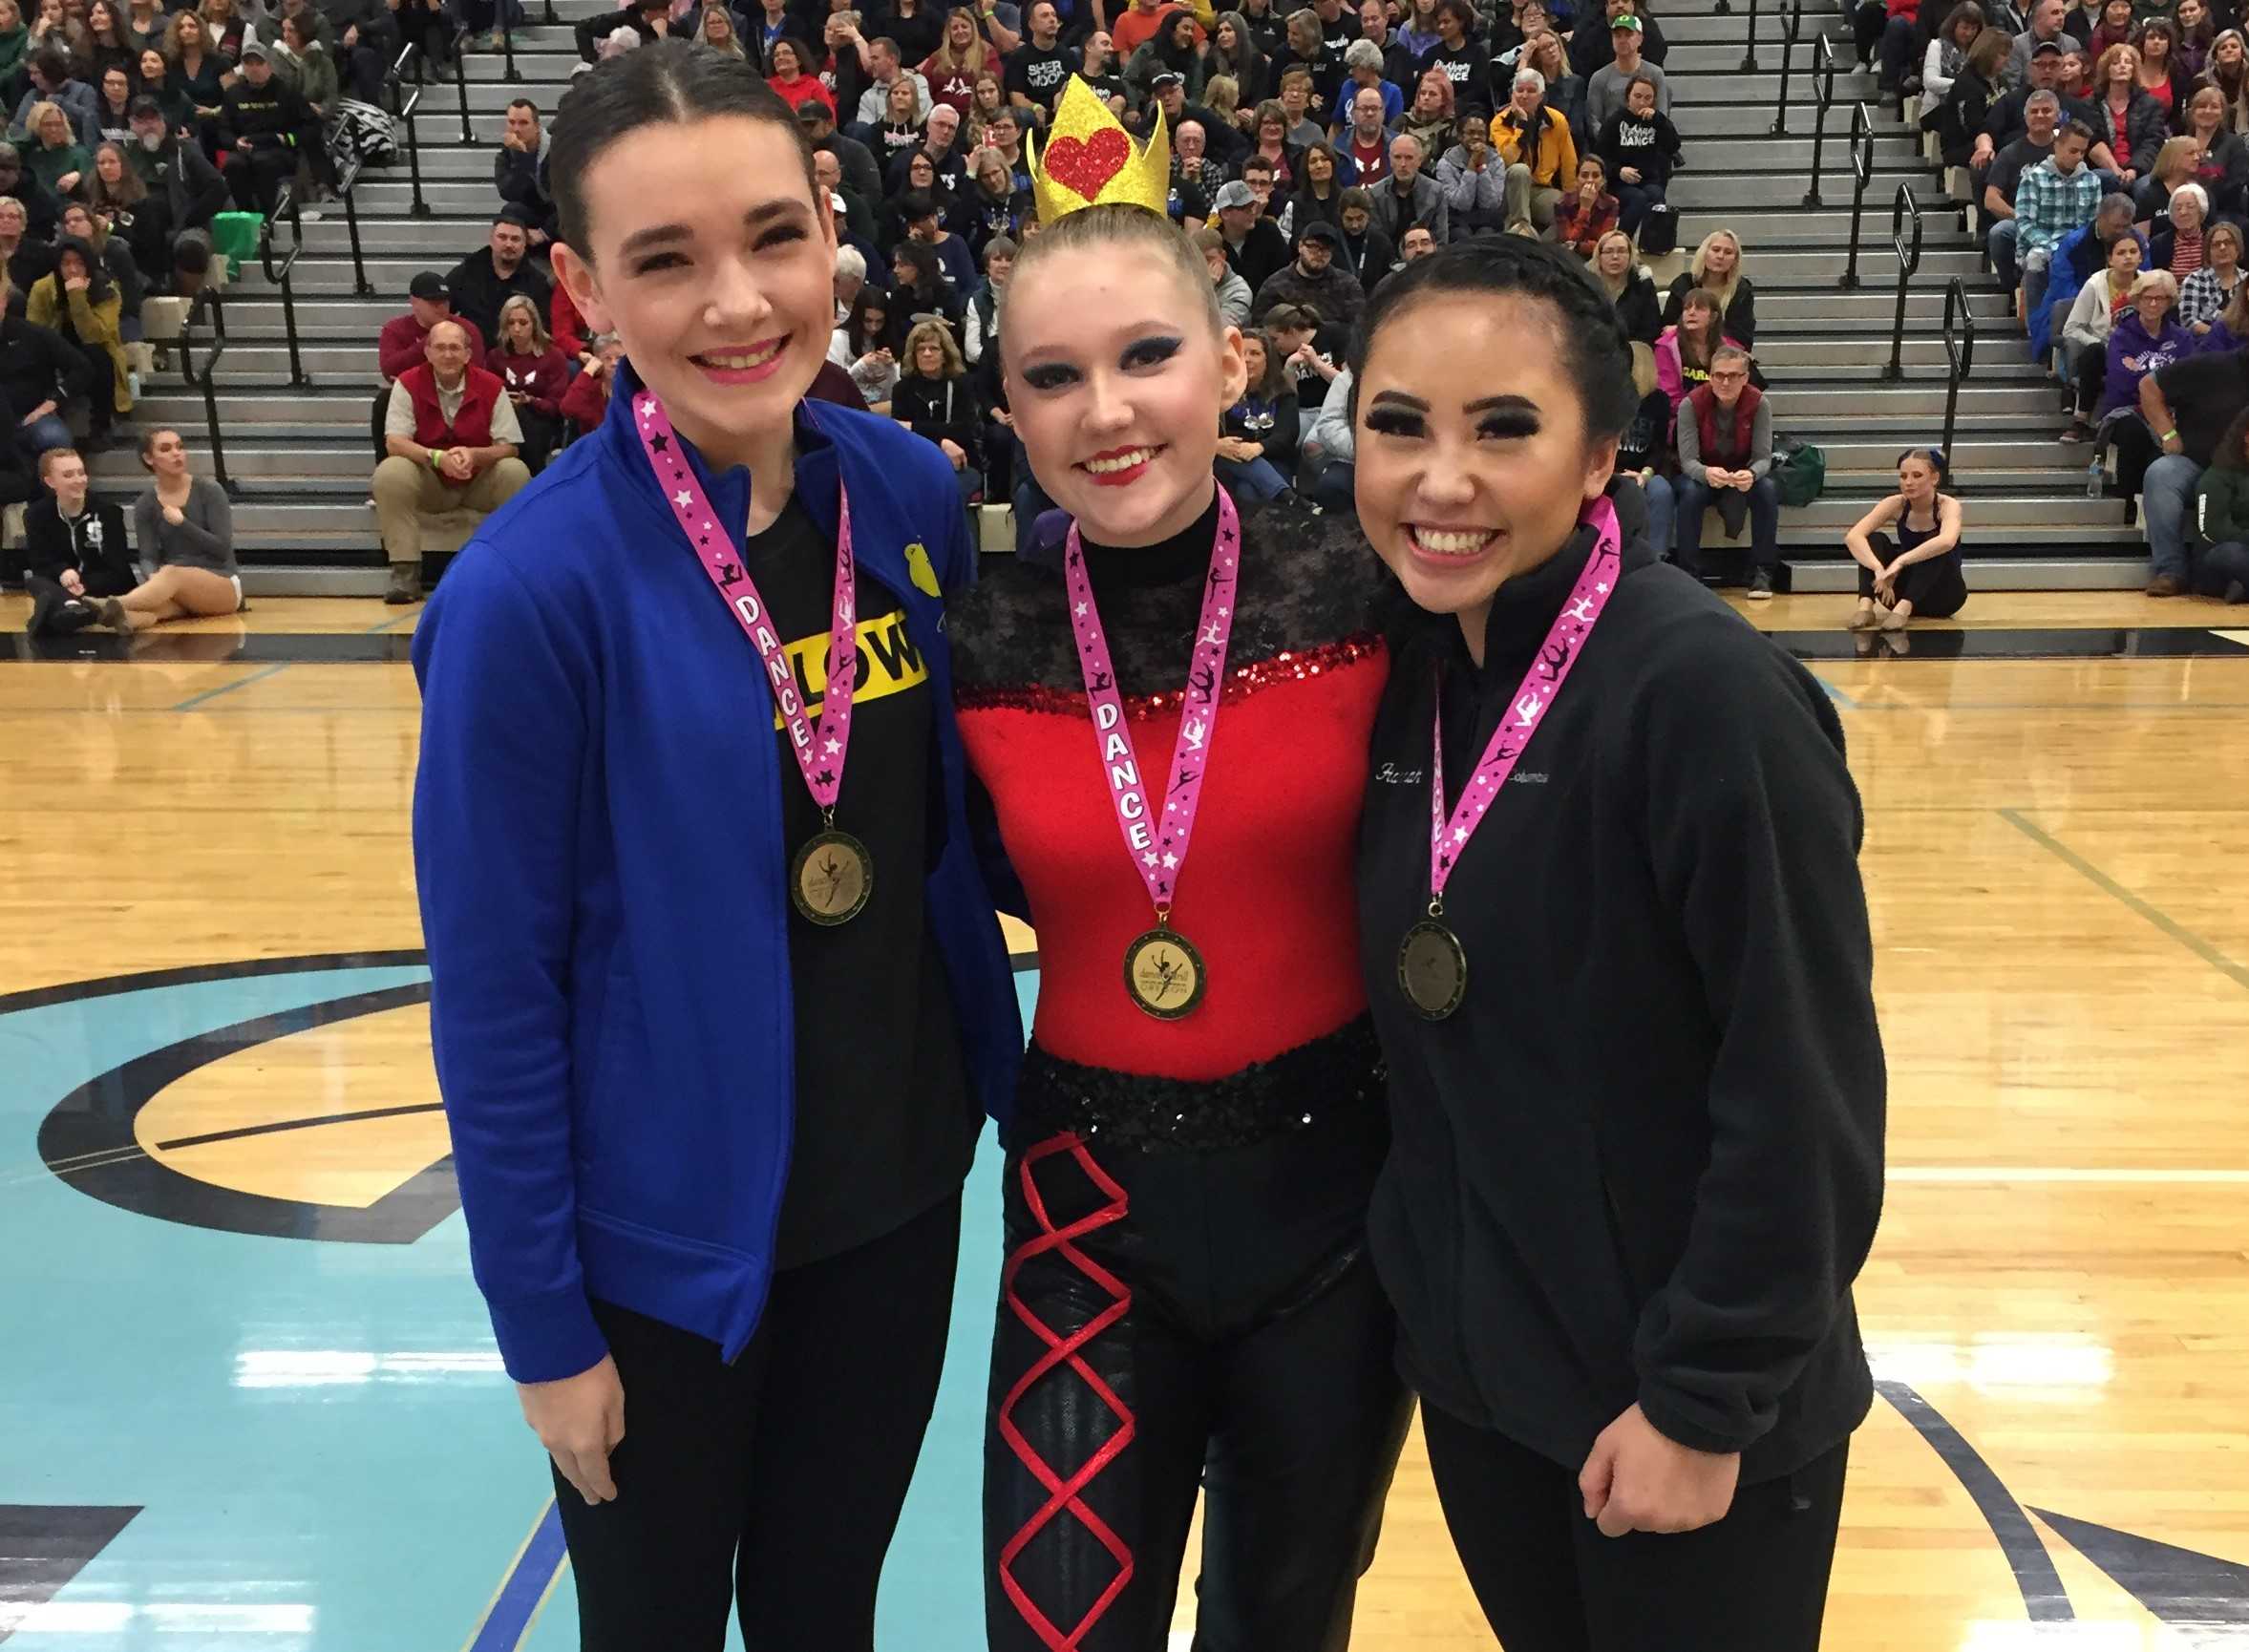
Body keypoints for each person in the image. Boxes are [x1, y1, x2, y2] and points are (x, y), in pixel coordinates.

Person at [411, 41, 1021, 1652]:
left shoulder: (905, 492)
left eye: (771, 237)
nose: (740, 303)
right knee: (660, 1626)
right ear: (582, 286)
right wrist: (543, 1327)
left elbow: (953, 827)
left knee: (828, 1612)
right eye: (664, 262)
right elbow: (493, 996)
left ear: (832, 225)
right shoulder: (526, 600)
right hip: (658, 1259)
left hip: (893, 1203)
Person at [1349, 236, 1882, 1652]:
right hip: (1488, 1391)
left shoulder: (1703, 692)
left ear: (1598, 457)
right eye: (1395, 424)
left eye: (1501, 429)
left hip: (1691, 1417)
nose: (1439, 478)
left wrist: (1701, 1403)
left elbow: (1801, 1091)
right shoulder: (1407, 672)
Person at [952, 79, 1409, 1652]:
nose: (1109, 411)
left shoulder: (1367, 588)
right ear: (1007, 408)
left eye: (1148, 355)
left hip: (1337, 1217)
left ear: (1230, 360)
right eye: (1054, 376)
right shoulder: (976, 633)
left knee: (1286, 1627)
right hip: (1086, 1223)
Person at [372, 317, 531, 602]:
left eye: (455, 348)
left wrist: (474, 455)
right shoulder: (407, 383)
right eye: (441, 347)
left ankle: (515, 567)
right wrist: (436, 458)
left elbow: (510, 447)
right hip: (431, 480)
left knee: (515, 470)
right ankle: (405, 574)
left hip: (478, 481)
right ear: (428, 352)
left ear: (468, 354)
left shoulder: (492, 386)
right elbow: (394, 441)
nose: (448, 355)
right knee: (390, 471)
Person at [97, 424, 241, 628]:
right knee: (153, 608)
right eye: (166, 449)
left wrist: (182, 523)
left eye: (179, 447)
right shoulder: (146, 503)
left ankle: (111, 603)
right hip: (176, 587)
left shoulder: (210, 490)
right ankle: (128, 620)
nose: (177, 453)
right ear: (149, 459)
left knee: (172, 573)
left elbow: (222, 548)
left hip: (222, 582)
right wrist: (153, 577)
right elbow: (147, 556)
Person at [2133, 340, 2249, 592]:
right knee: (2161, 473)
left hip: (2243, 473)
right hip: (2196, 464)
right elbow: (2148, 385)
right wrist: (2168, 435)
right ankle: (2170, 570)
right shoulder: (2211, 367)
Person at [1675, 344, 1781, 594]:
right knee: (1691, 492)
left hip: (1741, 474)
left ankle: (1762, 571)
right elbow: (1687, 460)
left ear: (1744, 378)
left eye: (1732, 376)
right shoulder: (1691, 404)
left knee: (1767, 488)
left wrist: (1752, 474)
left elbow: (1763, 457)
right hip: (1702, 475)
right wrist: (1706, 473)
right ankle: (1688, 572)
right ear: (1710, 377)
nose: (1725, 382)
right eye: (1718, 375)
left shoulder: (1759, 404)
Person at [1842, 447, 1967, 629]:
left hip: (1944, 596)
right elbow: (1853, 536)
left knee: (1935, 543)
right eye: (1903, 476)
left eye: (1917, 476)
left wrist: (1900, 561)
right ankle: (1866, 607)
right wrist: (1878, 569)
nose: (1908, 482)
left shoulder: (1948, 505)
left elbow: (1947, 541)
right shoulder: (1895, 503)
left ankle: (1903, 609)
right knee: (1874, 539)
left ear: (1934, 478)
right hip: (1896, 593)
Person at [25, 233, 126, 443]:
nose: (72, 270)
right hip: (55, 350)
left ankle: (101, 425)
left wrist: (77, 297)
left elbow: (94, 335)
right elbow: (33, 332)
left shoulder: (107, 288)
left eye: (79, 263)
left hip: (93, 351)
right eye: (66, 263)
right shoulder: (42, 288)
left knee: (97, 356)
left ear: (89, 264)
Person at [23, 442, 131, 636]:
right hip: (61, 585)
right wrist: (63, 571)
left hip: (101, 587)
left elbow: (119, 570)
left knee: (49, 596)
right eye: (68, 475)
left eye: (81, 473)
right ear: (50, 481)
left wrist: (83, 584)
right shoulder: (35, 515)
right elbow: (40, 563)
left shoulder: (108, 512)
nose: (78, 480)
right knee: (35, 581)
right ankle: (72, 608)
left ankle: (63, 610)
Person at [0, 275, 92, 458]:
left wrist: (53, 402)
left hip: (30, 417)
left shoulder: (33, 334)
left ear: (5, 300)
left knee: (54, 437)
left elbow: (82, 368)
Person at [217, 43, 313, 217]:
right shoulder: (233, 94)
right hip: (244, 148)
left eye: (259, 63)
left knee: (262, 162)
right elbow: (223, 131)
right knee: (233, 165)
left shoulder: (286, 91)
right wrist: (235, 142)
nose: (254, 68)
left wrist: (288, 139)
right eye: (248, 64)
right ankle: (246, 215)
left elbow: (311, 128)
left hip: (278, 148)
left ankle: (268, 217)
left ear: (269, 65)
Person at [446, 207, 554, 353]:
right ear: (491, 239)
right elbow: (443, 310)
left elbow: (544, 329)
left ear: (524, 244)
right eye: (502, 237)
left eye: (515, 239)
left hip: (516, 359)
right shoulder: (467, 271)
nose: (509, 244)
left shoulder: (537, 282)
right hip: (471, 358)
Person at [485, 290, 568, 473]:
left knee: (525, 422)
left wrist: (530, 401)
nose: (516, 329)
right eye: (511, 323)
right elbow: (487, 396)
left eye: (523, 323)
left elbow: (557, 406)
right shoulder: (495, 357)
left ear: (534, 324)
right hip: (504, 419)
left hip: (541, 421)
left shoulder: (553, 357)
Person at [1492, 66, 1574, 238]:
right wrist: (1522, 126)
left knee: (1568, 212)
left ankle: (1539, 250)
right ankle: (1522, 229)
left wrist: (1572, 196)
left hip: (1540, 188)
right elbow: (1506, 161)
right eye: (1519, 90)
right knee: (1521, 170)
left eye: (1531, 91)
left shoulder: (1556, 120)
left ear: (1541, 96)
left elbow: (1568, 162)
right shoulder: (1500, 122)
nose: (1524, 95)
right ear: (1512, 95)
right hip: (1509, 189)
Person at [1596, 71, 1680, 234]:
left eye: (1648, 98)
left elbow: (1674, 145)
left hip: (1649, 179)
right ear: (1629, 97)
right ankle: (1622, 241)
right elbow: (1600, 157)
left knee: (1656, 196)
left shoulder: (1657, 121)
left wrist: (1659, 120)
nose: (1642, 102)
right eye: (1638, 96)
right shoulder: (1615, 121)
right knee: (1638, 199)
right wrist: (1619, 171)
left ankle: (1654, 244)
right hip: (1619, 182)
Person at [2185, 405, 2249, 601]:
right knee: (2231, 554)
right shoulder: (2217, 476)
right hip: (2219, 555)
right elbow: (2213, 531)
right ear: (2246, 436)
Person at [1661, 227, 1755, 345]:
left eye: (1728, 252)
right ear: (1704, 253)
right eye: (1716, 250)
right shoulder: (1683, 284)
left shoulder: (1741, 289)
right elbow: (1667, 327)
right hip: (1684, 350)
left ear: (1735, 260)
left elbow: (1743, 336)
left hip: (1724, 352)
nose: (1720, 256)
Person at [2177, 219, 2242, 333]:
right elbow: (2188, 321)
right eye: (2216, 244)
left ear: (2238, 248)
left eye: (2228, 242)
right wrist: (2218, 336)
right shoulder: (2194, 280)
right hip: (2207, 345)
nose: (2222, 248)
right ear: (2208, 252)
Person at [1552, 155, 1619, 257]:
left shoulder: (1612, 204)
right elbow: (1569, 244)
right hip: (1569, 259)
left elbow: (1604, 244)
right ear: (1577, 179)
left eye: (1596, 176)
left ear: (1603, 180)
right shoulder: (1562, 204)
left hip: (1598, 258)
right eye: (1584, 175)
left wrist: (1580, 247)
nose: (1590, 180)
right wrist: (1585, 208)